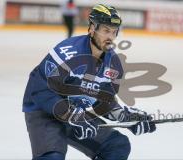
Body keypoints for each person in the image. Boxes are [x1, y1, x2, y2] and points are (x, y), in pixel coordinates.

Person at [23, 4, 156, 160]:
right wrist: (71, 115)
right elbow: (41, 90)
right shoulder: (68, 52)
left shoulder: (113, 65)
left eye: (114, 32)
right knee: (52, 157)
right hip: (45, 112)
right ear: (92, 28)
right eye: (106, 31)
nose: (111, 37)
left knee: (116, 145)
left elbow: (103, 101)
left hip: (76, 115)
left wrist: (126, 117)